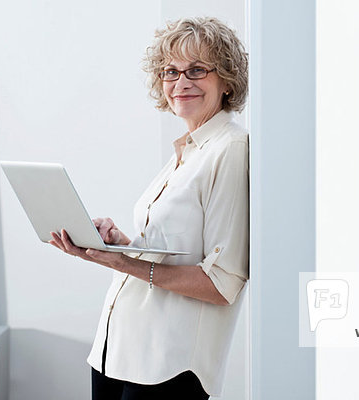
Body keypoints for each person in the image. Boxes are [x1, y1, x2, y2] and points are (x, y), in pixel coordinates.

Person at [48, 16, 249, 400]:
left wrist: (124, 263)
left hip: (168, 366)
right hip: (117, 349)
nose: (181, 82)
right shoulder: (187, 152)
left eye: (197, 70)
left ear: (225, 80)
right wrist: (117, 244)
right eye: (171, 71)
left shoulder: (231, 149)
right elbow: (173, 249)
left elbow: (223, 283)